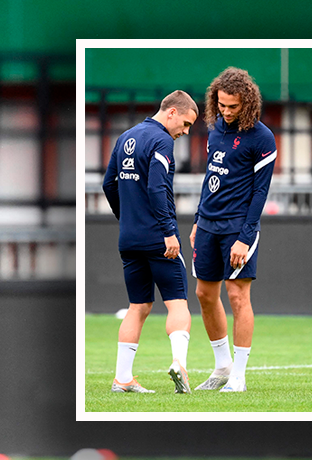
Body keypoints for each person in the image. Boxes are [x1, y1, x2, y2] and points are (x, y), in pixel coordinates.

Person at [102, 90, 199, 394]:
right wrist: (169, 231)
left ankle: (122, 378)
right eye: (185, 124)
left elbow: (108, 184)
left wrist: (126, 217)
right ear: (172, 112)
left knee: (138, 306)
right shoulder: (162, 140)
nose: (185, 131)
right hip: (159, 237)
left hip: (129, 238)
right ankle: (179, 364)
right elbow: (158, 188)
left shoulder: (125, 137)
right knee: (177, 302)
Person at [190, 67, 277, 393]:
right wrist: (198, 219)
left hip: (238, 226)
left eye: (233, 106)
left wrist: (246, 236)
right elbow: (210, 179)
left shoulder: (262, 138)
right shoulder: (214, 130)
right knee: (204, 294)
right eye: (221, 105)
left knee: (237, 295)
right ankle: (222, 366)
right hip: (208, 224)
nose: (226, 111)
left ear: (248, 103)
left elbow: (260, 192)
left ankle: (238, 376)